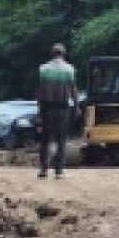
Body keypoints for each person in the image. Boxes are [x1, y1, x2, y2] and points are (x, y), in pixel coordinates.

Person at [36, 43, 80, 179]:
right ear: (63, 54)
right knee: (61, 139)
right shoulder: (69, 69)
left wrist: (39, 108)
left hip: (47, 107)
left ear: (52, 53)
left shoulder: (43, 69)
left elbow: (39, 90)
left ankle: (43, 169)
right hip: (62, 108)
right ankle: (59, 171)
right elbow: (73, 89)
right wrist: (77, 106)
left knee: (45, 138)